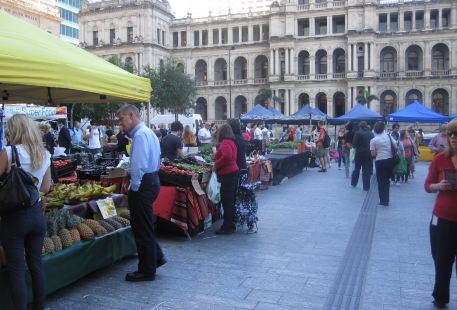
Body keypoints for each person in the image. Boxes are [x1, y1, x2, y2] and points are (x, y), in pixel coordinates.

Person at [0, 114, 51, 310]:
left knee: (16, 270)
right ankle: (40, 307)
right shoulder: (44, 154)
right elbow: (46, 188)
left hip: (14, 218)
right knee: (36, 265)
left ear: (15, 130)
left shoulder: (9, 152)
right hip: (36, 215)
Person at [117, 104, 165, 282]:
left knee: (141, 227)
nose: (121, 124)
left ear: (131, 115)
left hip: (144, 184)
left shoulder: (140, 135)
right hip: (151, 180)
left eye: (122, 119)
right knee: (144, 224)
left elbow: (138, 165)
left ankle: (146, 270)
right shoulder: (146, 132)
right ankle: (156, 258)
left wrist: (134, 187)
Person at [424, 119, 457, 309]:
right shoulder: (440, 159)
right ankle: (440, 296)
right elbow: (428, 185)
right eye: (450, 133)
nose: (453, 138)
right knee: (442, 260)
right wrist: (439, 186)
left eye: (456, 134)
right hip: (442, 218)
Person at [213, 124, 239, 234]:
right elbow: (223, 154)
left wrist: (216, 165)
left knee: (226, 200)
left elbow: (227, 157)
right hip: (232, 172)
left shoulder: (225, 143)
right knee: (230, 200)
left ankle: (227, 226)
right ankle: (231, 223)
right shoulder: (231, 142)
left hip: (228, 173)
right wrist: (215, 156)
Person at [370, 121, 394, 206]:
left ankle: (382, 200)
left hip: (380, 161)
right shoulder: (389, 136)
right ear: (383, 128)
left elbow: (373, 154)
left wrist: (378, 151)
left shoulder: (374, 140)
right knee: (387, 181)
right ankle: (386, 199)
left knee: (381, 181)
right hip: (389, 160)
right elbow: (395, 146)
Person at [351, 121, 374, 191]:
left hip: (359, 153)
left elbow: (354, 145)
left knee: (357, 169)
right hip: (369, 153)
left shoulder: (358, 133)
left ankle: (354, 183)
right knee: (366, 170)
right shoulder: (371, 133)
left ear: (360, 127)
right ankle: (366, 186)